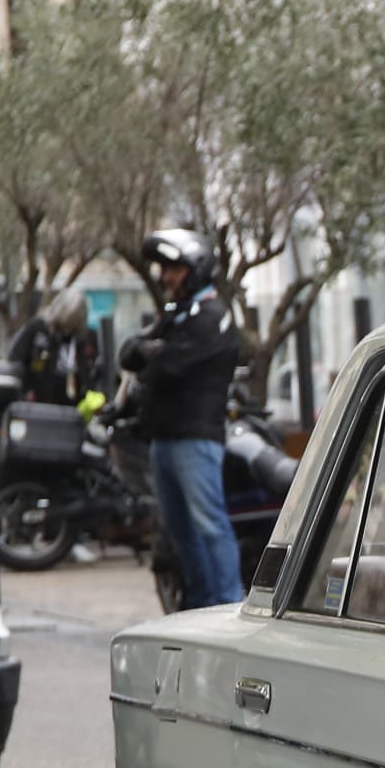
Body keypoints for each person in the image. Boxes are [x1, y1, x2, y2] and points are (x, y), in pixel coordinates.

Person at [117, 229, 244, 608]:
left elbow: (167, 367)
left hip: (196, 439)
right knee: (180, 531)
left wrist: (151, 353)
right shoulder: (177, 315)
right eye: (164, 268)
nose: (166, 277)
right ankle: (200, 604)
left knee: (209, 525)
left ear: (196, 268)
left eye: (173, 268)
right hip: (164, 439)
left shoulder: (213, 317)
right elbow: (129, 353)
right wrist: (149, 350)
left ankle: (226, 603)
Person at [6, 289, 105, 406]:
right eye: (67, 320)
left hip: (74, 404)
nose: (68, 327)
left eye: (73, 322)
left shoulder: (85, 338)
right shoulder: (38, 328)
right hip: (39, 401)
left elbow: (92, 371)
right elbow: (15, 359)